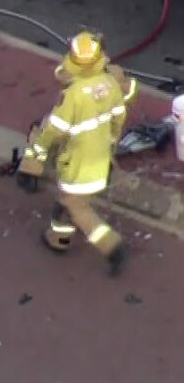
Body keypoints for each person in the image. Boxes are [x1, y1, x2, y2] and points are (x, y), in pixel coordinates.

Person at [14, 30, 132, 275]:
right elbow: (118, 119)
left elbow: (51, 133)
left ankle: (111, 246)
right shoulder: (111, 84)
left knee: (77, 207)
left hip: (77, 167)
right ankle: (58, 238)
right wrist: (109, 144)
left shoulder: (73, 96)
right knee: (67, 203)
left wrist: (32, 164)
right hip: (100, 161)